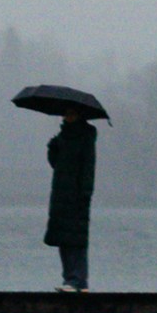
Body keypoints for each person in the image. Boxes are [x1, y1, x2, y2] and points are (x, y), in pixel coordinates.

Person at [42, 104, 97, 293]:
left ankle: (78, 280)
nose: (68, 117)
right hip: (60, 196)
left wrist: (85, 194)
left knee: (77, 240)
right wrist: (52, 148)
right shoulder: (62, 137)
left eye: (72, 114)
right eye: (66, 114)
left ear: (80, 116)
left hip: (77, 195)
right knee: (63, 239)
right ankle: (71, 279)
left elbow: (88, 167)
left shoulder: (86, 136)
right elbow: (55, 164)